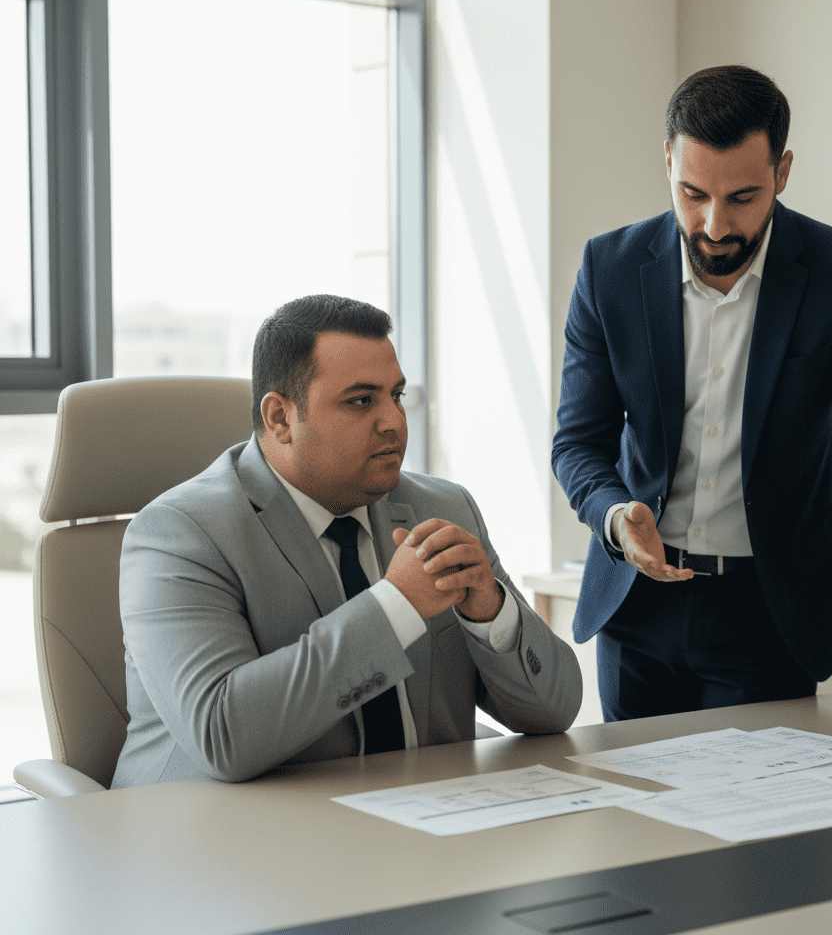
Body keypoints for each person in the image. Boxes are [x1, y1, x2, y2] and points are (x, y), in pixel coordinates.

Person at [552, 64, 832, 760]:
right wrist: (615, 515)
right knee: (635, 814)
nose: (714, 225)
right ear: (668, 162)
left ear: (782, 172)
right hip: (636, 609)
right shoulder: (609, 270)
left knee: (753, 823)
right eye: (692, 194)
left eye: (742, 197)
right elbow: (578, 444)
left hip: (771, 613)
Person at [111, 295, 582, 787]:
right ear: (280, 418)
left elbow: (555, 712)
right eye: (361, 401)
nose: (394, 421)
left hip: (421, 813)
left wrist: (492, 615)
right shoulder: (177, 533)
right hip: (216, 823)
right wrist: (397, 605)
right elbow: (222, 736)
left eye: (396, 395)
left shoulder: (443, 507)